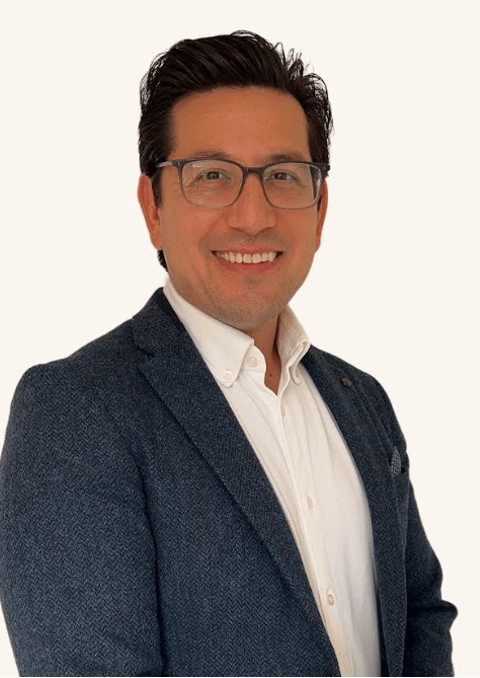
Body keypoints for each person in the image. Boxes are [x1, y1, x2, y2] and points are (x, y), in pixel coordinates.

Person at [0, 30, 457, 678]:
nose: (252, 216)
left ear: (320, 207)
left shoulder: (364, 402)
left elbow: (419, 614)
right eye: (212, 176)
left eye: (283, 176)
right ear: (153, 208)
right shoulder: (77, 412)